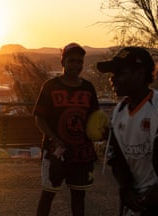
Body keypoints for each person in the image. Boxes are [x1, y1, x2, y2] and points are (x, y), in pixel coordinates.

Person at [33, 42, 99, 216]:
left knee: (79, 197)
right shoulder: (50, 86)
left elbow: (95, 119)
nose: (76, 65)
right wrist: (56, 140)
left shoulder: (88, 88)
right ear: (62, 62)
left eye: (79, 61)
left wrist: (101, 132)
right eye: (71, 61)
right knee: (47, 195)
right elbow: (40, 119)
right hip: (55, 152)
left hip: (82, 153)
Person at [97, 46, 158, 215]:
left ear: (139, 73)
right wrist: (126, 189)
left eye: (119, 73)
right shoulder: (119, 111)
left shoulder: (156, 108)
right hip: (135, 202)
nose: (113, 79)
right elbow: (117, 157)